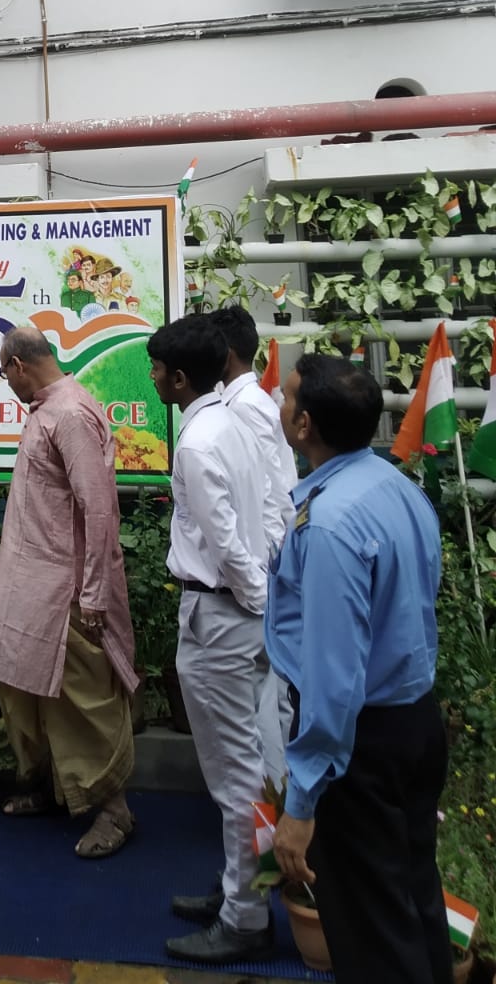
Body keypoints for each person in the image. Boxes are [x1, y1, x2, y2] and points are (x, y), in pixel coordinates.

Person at [268, 354, 452, 984]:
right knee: (412, 903)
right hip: (414, 721)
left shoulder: (330, 524)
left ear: (305, 426)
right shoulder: (397, 486)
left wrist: (302, 801)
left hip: (359, 745)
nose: (279, 405)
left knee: (373, 935)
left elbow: (333, 676)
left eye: (287, 398)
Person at [0, 325, 137, 858]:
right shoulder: (48, 410)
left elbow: (99, 509)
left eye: (4, 374)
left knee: (83, 700)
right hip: (29, 585)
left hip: (67, 588)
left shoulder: (69, 414)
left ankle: (113, 809)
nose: (7, 384)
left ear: (18, 365)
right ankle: (51, 788)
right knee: (24, 687)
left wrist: (94, 593)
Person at [147, 315, 273, 964]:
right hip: (236, 611)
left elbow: (225, 542)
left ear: (177, 378)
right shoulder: (231, 421)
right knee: (244, 765)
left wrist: (253, 599)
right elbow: (270, 514)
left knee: (232, 774)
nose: (151, 379)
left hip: (220, 614)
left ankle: (245, 915)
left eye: (155, 370)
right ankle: (239, 894)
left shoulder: (198, 441)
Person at [207, 304, 298, 786]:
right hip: (266, 564)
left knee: (261, 700)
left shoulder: (245, 407)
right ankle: (274, 800)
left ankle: (273, 802)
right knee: (266, 695)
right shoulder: (248, 402)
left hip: (264, 566)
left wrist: (262, 573)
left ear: (224, 354)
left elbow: (271, 493)